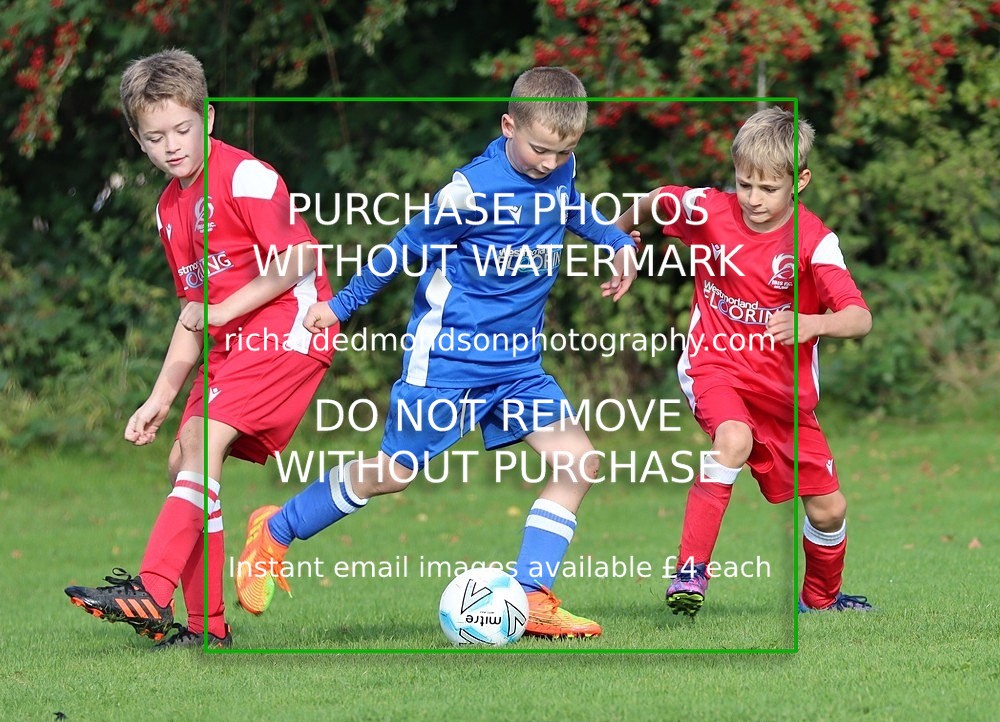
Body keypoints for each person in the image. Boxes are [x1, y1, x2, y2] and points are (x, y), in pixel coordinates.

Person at [235, 66, 637, 639]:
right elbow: (402, 249)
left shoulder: (560, 167)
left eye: (564, 150)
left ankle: (531, 598)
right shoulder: (468, 192)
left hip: (517, 365)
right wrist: (341, 306)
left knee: (579, 462)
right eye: (541, 149)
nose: (551, 163)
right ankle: (276, 529)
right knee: (394, 474)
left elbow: (570, 207)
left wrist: (617, 242)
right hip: (448, 359)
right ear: (508, 126)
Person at [64, 48, 336, 647]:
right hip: (233, 342)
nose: (172, 146)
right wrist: (160, 396)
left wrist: (225, 310)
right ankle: (206, 629)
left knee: (205, 440)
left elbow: (300, 258)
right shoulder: (169, 208)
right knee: (184, 455)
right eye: (156, 136)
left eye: (183, 129)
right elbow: (194, 313)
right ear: (139, 140)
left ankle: (151, 590)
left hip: (290, 327)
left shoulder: (245, 176)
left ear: (208, 118)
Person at [616, 106, 873, 616]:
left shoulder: (815, 241)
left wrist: (813, 324)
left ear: (799, 180)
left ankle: (820, 602)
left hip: (782, 394)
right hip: (715, 365)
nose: (753, 199)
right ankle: (690, 574)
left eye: (767, 188)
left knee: (829, 509)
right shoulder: (709, 211)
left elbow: (859, 317)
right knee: (733, 440)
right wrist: (618, 239)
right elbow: (657, 201)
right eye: (744, 184)